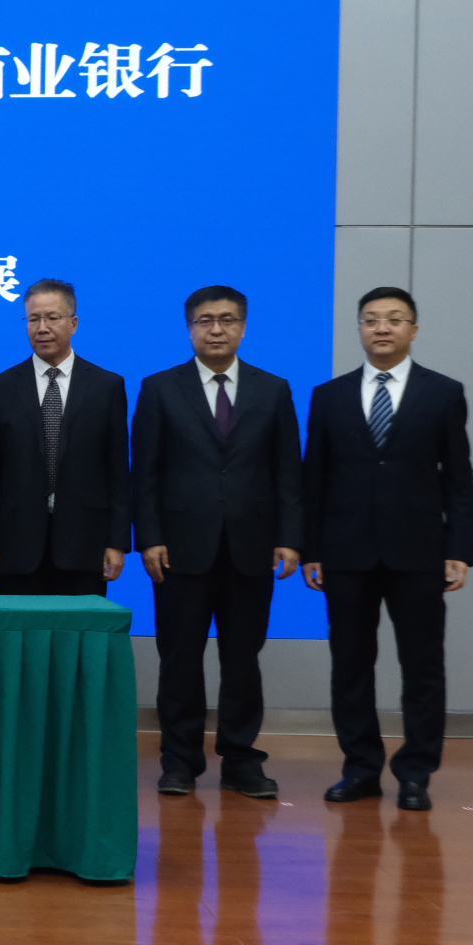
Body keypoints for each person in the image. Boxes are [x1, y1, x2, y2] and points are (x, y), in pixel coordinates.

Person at [304, 287, 473, 812]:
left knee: (423, 667)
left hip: (419, 552)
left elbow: (458, 478)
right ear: (359, 328)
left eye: (395, 319)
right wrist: (312, 549)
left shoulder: (443, 392)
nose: (382, 328)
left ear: (413, 330)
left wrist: (459, 548)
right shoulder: (329, 395)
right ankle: (360, 769)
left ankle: (416, 772)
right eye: (372, 319)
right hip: (346, 553)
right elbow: (315, 479)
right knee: (350, 666)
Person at [133, 285, 305, 801]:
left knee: (243, 660)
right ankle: (179, 761)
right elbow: (145, 473)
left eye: (226, 320)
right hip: (180, 548)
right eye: (204, 321)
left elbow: (287, 471)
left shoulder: (273, 389)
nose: (215, 330)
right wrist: (150, 538)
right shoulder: (160, 388)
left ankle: (241, 760)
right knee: (179, 659)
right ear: (189, 328)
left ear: (243, 328)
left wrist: (290, 538)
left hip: (251, 546)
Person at [0, 278, 130, 595]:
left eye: (52, 318)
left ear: (73, 323)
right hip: (14, 546)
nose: (42, 328)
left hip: (85, 544)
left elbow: (116, 471)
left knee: (79, 629)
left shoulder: (107, 387)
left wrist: (117, 542)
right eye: (34, 319)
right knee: (18, 629)